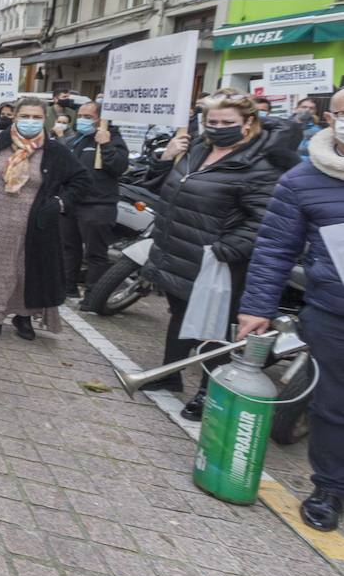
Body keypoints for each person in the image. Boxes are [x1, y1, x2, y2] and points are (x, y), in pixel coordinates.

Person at [238, 87, 344, 532]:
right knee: (332, 406)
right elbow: (275, 249)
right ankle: (330, 488)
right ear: (329, 117)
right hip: (332, 314)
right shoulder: (302, 180)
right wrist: (257, 306)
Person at [141, 91, 282, 419]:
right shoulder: (196, 150)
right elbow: (153, 186)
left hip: (217, 261)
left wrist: (227, 249)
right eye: (212, 122)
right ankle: (169, 373)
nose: (219, 128)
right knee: (179, 313)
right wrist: (166, 157)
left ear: (248, 123)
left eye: (228, 122)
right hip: (178, 250)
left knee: (214, 328)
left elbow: (265, 219)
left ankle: (210, 391)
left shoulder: (259, 165)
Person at [0, 97, 91, 342]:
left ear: (44, 120)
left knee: (25, 272)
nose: (30, 122)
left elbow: (82, 180)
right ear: (15, 117)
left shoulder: (55, 151)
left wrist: (59, 204)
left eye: (36, 117)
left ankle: (24, 316)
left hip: (35, 225)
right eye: (25, 116)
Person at [61, 102, 129, 309]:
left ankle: (92, 296)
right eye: (80, 115)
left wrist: (106, 145)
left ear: (101, 119)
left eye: (88, 116)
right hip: (72, 203)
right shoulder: (77, 139)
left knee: (95, 254)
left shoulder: (112, 139)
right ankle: (67, 288)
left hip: (97, 205)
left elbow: (119, 166)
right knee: (68, 248)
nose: (82, 119)